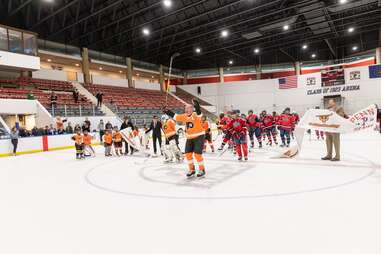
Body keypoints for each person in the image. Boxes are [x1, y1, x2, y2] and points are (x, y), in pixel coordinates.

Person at [163, 99, 206, 178]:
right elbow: (175, 116)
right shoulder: (184, 116)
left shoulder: (196, 115)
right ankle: (192, 169)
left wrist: (196, 105)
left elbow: (199, 112)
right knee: (188, 154)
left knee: (197, 154)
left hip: (199, 136)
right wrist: (167, 111)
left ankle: (202, 169)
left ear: (192, 109)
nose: (187, 110)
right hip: (189, 137)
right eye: (186, 108)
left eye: (189, 108)